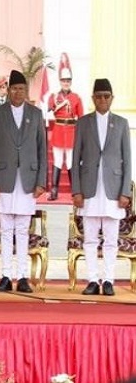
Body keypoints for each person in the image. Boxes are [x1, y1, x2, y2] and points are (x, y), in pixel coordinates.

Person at [0, 70, 47, 293]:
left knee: (22, 230)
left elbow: (43, 149)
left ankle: (22, 277)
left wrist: (41, 180)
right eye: (14, 88)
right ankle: (5, 276)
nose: (18, 92)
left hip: (28, 181)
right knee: (5, 229)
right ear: (8, 90)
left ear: (26, 91)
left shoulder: (36, 114)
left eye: (21, 89)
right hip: (4, 180)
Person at [71, 78, 131, 296]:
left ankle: (108, 280)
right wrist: (76, 190)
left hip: (113, 190)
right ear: (93, 99)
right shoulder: (83, 123)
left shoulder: (122, 123)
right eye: (99, 96)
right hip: (89, 190)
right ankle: (92, 280)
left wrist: (125, 192)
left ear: (112, 98)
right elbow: (75, 157)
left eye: (106, 96)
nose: (103, 100)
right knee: (89, 238)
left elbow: (127, 160)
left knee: (111, 240)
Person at [46, 62, 83, 200]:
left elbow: (81, 118)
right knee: (57, 160)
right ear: (60, 82)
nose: (66, 83)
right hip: (59, 131)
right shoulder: (54, 96)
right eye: (64, 81)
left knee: (71, 162)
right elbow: (48, 108)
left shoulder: (76, 98)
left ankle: (74, 191)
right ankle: (54, 191)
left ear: (71, 82)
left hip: (72, 132)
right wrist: (47, 105)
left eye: (68, 81)